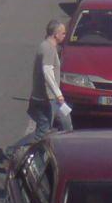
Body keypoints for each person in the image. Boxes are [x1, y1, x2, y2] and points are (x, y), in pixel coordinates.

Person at [6, 19, 72, 159]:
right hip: (46, 98)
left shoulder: (49, 47)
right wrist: (59, 94)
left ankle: (66, 153)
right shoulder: (47, 48)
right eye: (63, 33)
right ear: (56, 34)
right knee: (42, 131)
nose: (65, 35)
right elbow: (47, 71)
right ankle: (13, 150)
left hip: (52, 98)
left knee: (66, 123)